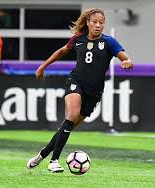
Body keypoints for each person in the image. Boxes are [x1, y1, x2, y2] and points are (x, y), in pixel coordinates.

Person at [27, 8, 133, 173]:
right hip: (76, 82)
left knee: (67, 126)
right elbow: (61, 51)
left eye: (101, 22)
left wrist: (127, 62)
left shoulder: (109, 42)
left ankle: (42, 155)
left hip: (94, 92)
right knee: (71, 116)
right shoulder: (78, 39)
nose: (98, 25)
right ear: (88, 23)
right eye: (95, 22)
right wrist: (43, 66)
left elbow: (124, 57)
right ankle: (54, 161)